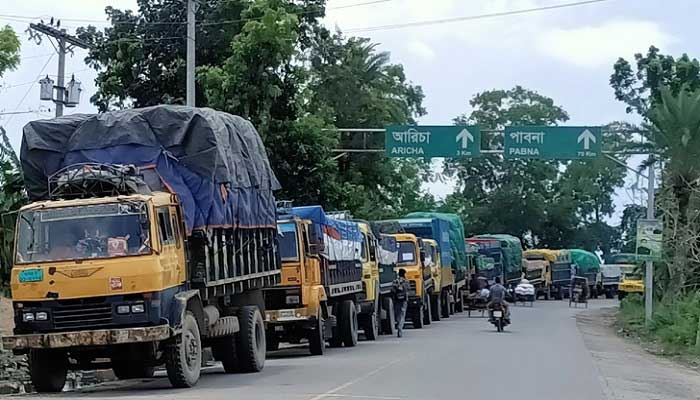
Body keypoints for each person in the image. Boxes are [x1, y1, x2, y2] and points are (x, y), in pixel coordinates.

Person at [392, 268, 411, 338]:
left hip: (396, 300)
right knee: (402, 315)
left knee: (397, 314)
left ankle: (398, 324)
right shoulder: (406, 281)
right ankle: (400, 328)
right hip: (404, 301)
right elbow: (408, 289)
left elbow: (392, 290)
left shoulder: (395, 281)